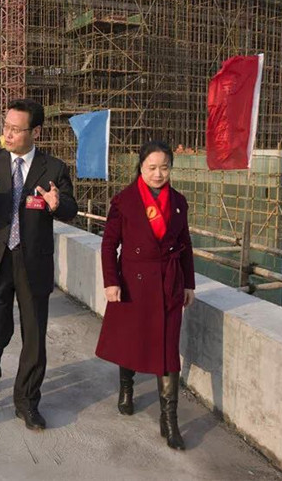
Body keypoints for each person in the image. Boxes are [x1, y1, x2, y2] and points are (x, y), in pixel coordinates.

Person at [0, 98, 77, 431]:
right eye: (6, 127)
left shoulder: (53, 168)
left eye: (16, 129)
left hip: (33, 262)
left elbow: (70, 208)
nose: (8, 134)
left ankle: (27, 400)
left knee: (34, 337)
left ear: (35, 131)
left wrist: (56, 204)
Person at [95, 140, 195, 451]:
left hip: (169, 283)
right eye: (152, 167)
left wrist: (189, 283)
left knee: (168, 350)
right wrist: (111, 281)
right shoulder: (124, 201)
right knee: (131, 339)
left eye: (164, 167)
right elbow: (109, 244)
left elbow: (186, 245)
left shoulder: (178, 202)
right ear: (141, 167)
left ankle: (170, 420)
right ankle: (126, 388)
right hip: (133, 282)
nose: (158, 174)